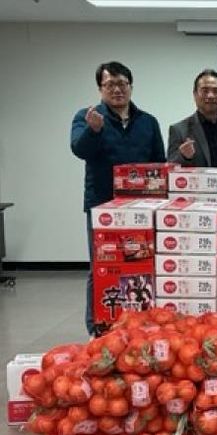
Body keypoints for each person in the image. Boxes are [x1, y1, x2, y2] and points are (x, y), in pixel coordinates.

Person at [71, 61, 165, 336]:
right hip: (102, 208)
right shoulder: (87, 117)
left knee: (142, 264)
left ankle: (142, 323)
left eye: (122, 84)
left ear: (131, 87)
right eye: (110, 84)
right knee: (101, 266)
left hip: (142, 209)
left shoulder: (147, 121)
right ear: (100, 88)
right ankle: (97, 328)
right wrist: (93, 131)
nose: (117, 90)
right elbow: (79, 149)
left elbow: (159, 164)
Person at [167, 69, 217, 240]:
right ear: (195, 94)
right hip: (198, 214)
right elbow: (170, 171)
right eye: (205, 90)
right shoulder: (179, 129)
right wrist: (184, 157)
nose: (211, 95)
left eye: (216, 91)